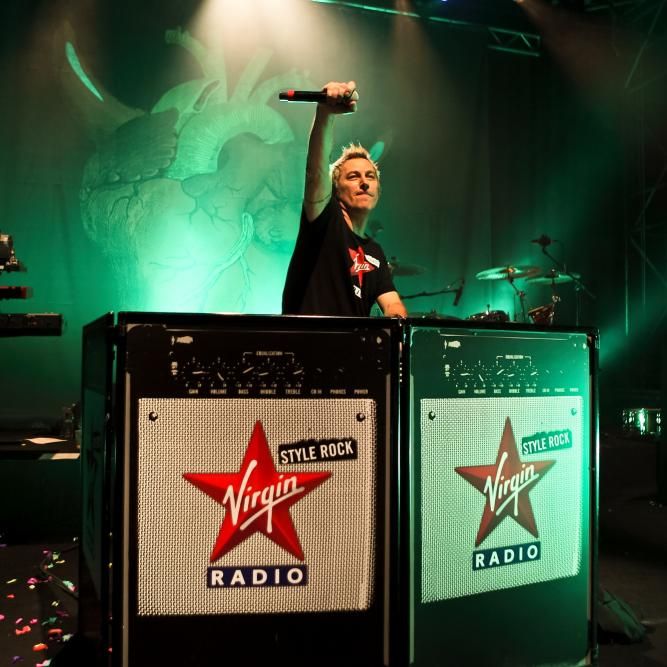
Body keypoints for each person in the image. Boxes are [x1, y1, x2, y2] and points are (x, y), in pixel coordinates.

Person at [282, 80, 407, 318]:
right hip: (310, 339)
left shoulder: (375, 252)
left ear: (378, 190)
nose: (364, 182)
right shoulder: (325, 220)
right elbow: (316, 173)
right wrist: (325, 113)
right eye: (353, 176)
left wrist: (396, 325)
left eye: (370, 176)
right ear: (335, 189)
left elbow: (392, 304)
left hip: (352, 342)